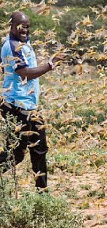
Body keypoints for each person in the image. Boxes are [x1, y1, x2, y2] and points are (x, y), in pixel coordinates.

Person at [0, 11, 65, 191]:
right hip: (17, 107)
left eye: (27, 26)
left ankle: (42, 193)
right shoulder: (12, 45)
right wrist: (49, 65)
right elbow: (25, 74)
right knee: (16, 154)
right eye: (21, 26)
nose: (24, 30)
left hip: (31, 107)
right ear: (11, 26)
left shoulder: (23, 44)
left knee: (39, 150)